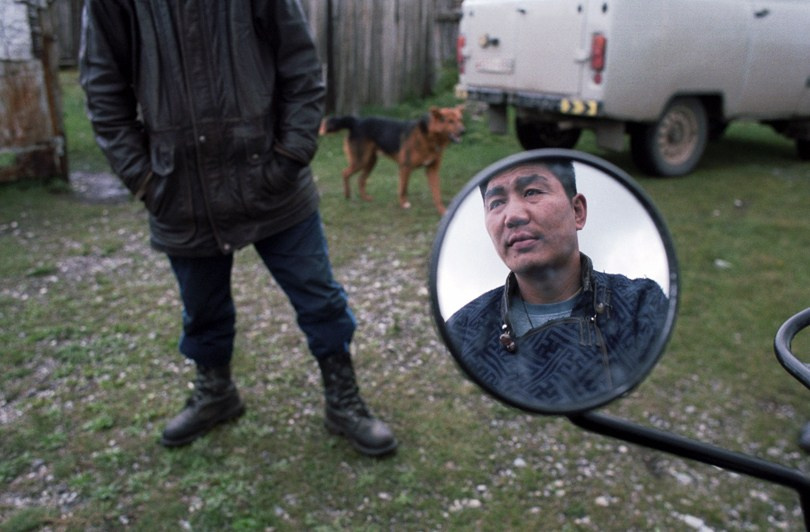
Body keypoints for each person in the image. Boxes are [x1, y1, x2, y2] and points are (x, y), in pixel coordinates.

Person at [78, 0, 396, 456]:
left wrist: (290, 156)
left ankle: (343, 399)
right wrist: (145, 179)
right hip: (180, 188)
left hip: (272, 178)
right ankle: (216, 393)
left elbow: (302, 69)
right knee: (202, 308)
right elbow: (103, 90)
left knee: (319, 296)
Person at [446, 159, 668, 408]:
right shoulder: (462, 331)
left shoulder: (642, 305)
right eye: (496, 203)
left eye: (532, 192)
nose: (513, 216)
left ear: (577, 212)